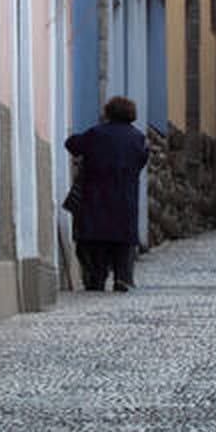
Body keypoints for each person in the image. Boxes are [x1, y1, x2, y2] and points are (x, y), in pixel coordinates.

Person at [65, 96, 149, 293]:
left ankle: (96, 278)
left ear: (108, 112)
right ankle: (123, 278)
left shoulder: (96, 134)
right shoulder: (138, 138)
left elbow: (73, 145)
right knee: (124, 240)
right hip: (125, 198)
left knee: (96, 241)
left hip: (96, 196)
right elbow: (141, 160)